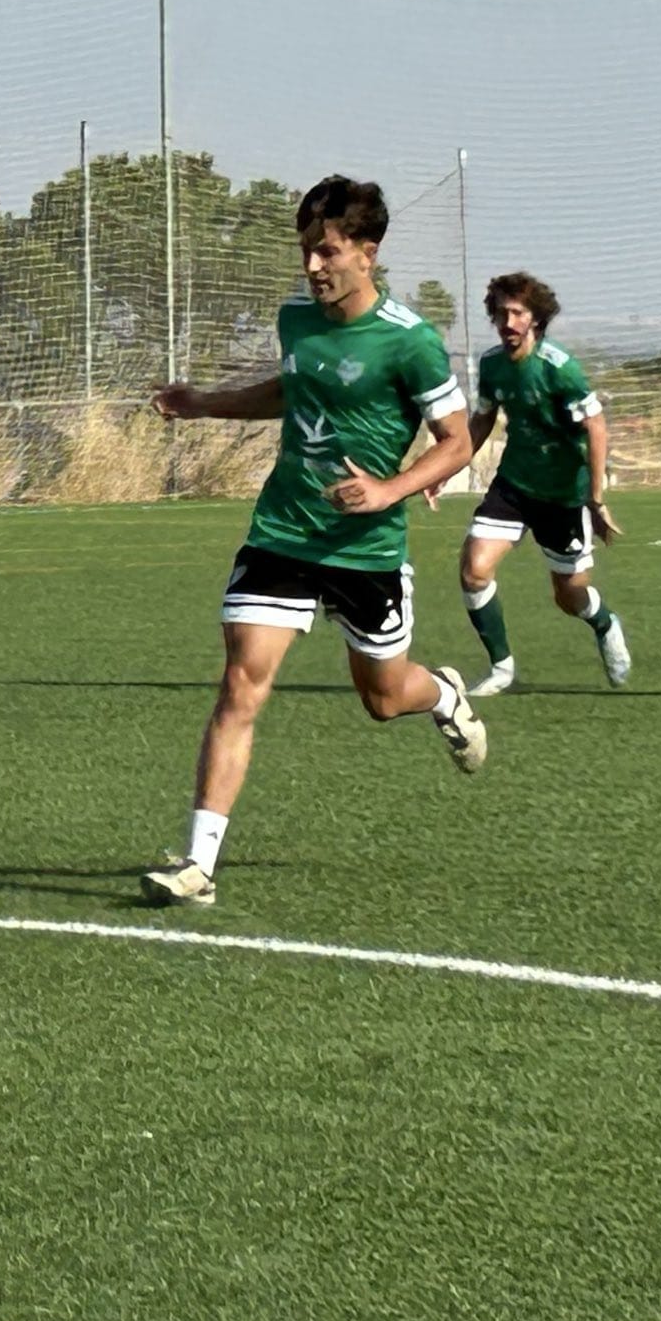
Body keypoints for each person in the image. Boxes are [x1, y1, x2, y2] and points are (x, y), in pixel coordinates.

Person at [141, 175, 488, 910]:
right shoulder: (295, 320)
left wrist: (390, 489)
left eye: (326, 251)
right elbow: (288, 389)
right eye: (305, 250)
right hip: (284, 531)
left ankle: (444, 693)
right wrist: (203, 403)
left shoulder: (411, 342)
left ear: (369, 252)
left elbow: (456, 442)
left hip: (365, 550)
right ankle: (198, 865)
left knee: (384, 698)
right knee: (241, 683)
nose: (311, 266)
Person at [457, 272, 630, 695]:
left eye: (516, 313)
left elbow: (596, 426)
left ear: (535, 319)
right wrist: (444, 469)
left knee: (569, 597)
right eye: (500, 313)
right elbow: (482, 420)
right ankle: (501, 668)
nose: (507, 322)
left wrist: (596, 499)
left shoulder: (559, 368)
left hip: (562, 497)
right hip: (514, 487)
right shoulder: (493, 363)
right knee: (474, 571)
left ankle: (604, 623)